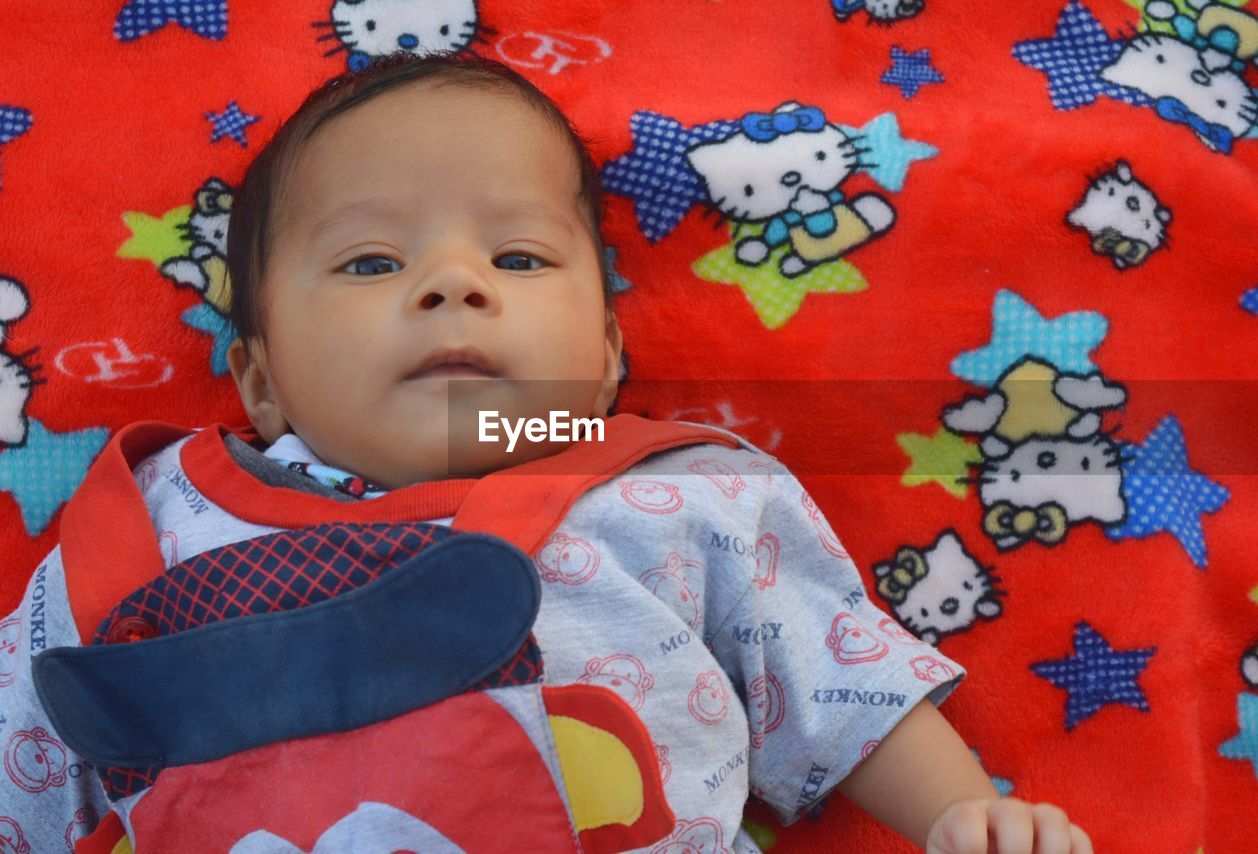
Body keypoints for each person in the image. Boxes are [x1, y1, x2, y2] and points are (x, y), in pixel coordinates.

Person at [0, 52, 1092, 853]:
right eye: (373, 262)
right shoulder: (153, 526)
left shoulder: (678, 495)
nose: (452, 283)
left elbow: (839, 676)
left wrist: (963, 810)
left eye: (517, 256)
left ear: (606, 360)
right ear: (261, 380)